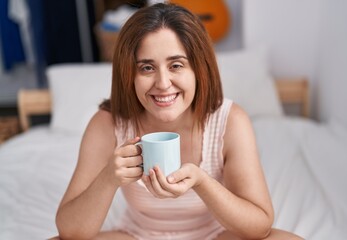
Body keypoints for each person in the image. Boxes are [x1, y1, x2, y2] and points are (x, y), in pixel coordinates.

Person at [54, 3, 303, 240]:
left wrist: (202, 181)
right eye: (147, 68)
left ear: (199, 70)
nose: (163, 84)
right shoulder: (107, 123)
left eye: (176, 65)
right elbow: (71, 232)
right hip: (138, 235)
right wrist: (108, 178)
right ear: (129, 74)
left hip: (214, 236)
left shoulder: (230, 121)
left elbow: (259, 227)